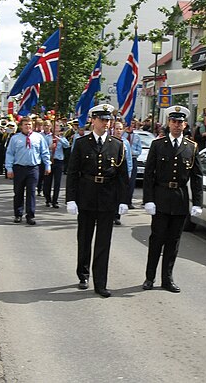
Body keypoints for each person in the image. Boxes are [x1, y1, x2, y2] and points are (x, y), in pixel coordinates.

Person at [66, 104, 129, 298]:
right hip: (86, 195)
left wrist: (123, 200)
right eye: (102, 120)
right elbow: (73, 173)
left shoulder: (117, 145)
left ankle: (100, 282)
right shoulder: (82, 143)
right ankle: (83, 274)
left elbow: (122, 176)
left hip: (107, 198)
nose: (106, 124)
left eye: (108, 120)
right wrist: (71, 199)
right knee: (84, 238)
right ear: (93, 120)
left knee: (104, 242)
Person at [142, 105, 203, 293]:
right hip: (160, 198)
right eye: (174, 121)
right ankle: (149, 277)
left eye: (180, 122)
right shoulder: (158, 145)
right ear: (168, 123)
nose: (177, 125)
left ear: (185, 125)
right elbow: (149, 174)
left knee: (173, 242)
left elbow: (197, 176)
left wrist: (198, 203)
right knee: (156, 240)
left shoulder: (191, 147)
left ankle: (167, 279)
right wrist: (148, 199)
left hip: (179, 200)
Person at [5, 116, 51, 225]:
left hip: (33, 168)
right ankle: (18, 214)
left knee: (31, 192)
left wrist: (48, 165)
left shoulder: (38, 137)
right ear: (21, 126)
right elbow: (10, 154)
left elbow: (44, 152)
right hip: (19, 168)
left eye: (29, 124)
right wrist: (9, 168)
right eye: (25, 124)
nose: (28, 126)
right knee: (18, 192)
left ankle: (30, 215)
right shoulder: (15, 138)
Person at [43, 121, 70, 208]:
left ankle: (55, 200)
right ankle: (48, 199)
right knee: (47, 181)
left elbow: (67, 145)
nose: (57, 128)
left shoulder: (62, 137)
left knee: (57, 182)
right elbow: (42, 148)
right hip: (49, 160)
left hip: (58, 161)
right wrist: (49, 148)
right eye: (55, 126)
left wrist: (59, 139)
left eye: (58, 126)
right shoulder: (47, 137)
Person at [113, 120, 132, 225]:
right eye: (117, 128)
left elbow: (129, 159)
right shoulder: (110, 140)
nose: (118, 131)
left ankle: (117, 215)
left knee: (119, 194)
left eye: (120, 129)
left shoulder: (126, 143)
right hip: (111, 172)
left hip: (122, 173)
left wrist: (128, 173)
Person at [122, 119, 142, 209]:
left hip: (133, 159)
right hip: (123, 160)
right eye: (129, 124)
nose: (130, 126)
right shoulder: (122, 135)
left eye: (132, 124)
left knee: (131, 181)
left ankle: (128, 201)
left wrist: (131, 152)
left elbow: (139, 150)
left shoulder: (137, 137)